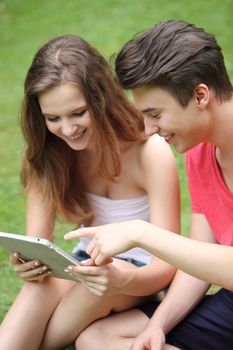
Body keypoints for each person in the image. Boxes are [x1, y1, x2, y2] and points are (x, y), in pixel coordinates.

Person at [0, 34, 180, 349]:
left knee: (88, 288)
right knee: (37, 289)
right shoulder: (50, 154)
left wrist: (121, 279)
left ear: (101, 98)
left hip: (138, 276)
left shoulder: (149, 151)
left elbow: (167, 266)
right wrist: (26, 263)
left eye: (78, 113)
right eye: (52, 118)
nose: (68, 130)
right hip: (83, 264)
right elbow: (37, 245)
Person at [65, 20, 233, 350]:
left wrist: (142, 233)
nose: (147, 129)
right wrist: (158, 326)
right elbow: (198, 263)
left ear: (199, 95)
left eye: (155, 113)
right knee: (98, 339)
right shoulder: (199, 149)